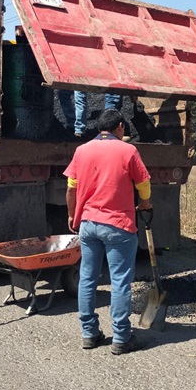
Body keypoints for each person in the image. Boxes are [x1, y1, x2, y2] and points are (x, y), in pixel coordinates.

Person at [64, 109, 152, 354]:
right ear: (120, 127)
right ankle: (121, 338)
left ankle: (89, 334)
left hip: (88, 224)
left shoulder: (81, 151)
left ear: (98, 128)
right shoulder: (128, 151)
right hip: (118, 225)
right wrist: (145, 203)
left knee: (87, 278)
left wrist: (73, 214)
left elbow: (71, 187)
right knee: (120, 281)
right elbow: (143, 183)